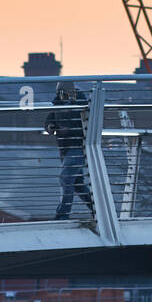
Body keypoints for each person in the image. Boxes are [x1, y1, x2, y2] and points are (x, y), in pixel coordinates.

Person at [44, 81, 94, 220]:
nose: (62, 96)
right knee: (77, 183)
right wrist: (50, 127)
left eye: (64, 93)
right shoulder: (57, 104)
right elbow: (48, 121)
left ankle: (62, 214)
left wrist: (68, 129)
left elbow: (84, 125)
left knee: (65, 178)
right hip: (65, 148)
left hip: (77, 146)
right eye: (60, 93)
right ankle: (96, 210)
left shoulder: (81, 104)